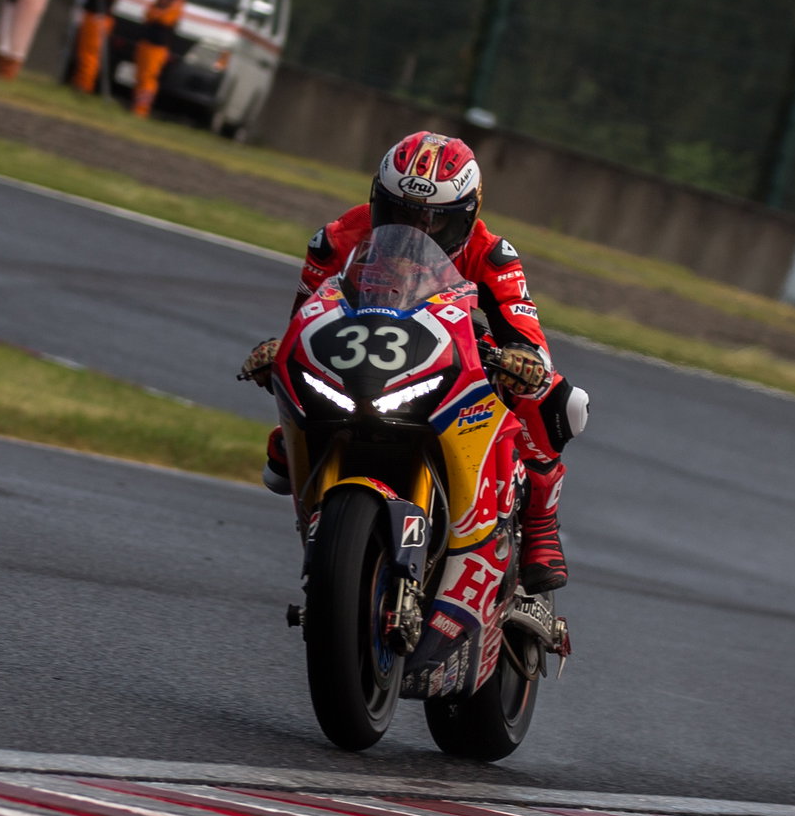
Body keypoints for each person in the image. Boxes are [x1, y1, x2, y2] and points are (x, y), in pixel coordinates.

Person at [239, 132, 591, 593]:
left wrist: (523, 360)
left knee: (559, 398)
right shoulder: (338, 238)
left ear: (467, 215)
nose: (417, 230)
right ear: (378, 200)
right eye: (401, 213)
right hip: (364, 349)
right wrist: (277, 349)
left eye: (434, 221)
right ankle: (297, 441)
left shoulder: (493, 254)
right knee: (293, 373)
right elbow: (307, 319)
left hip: (454, 353)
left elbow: (527, 337)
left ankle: (541, 521)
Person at [131, 0, 191, 117]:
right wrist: (156, 14)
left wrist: (156, 14)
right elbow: (148, 13)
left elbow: (166, 19)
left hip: (158, 46)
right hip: (146, 41)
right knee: (139, 75)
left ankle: (142, 109)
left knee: (149, 77)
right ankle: (135, 106)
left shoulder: (177, 2)